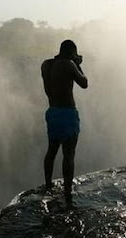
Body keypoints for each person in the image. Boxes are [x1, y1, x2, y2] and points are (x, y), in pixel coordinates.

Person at [41, 39, 88, 206]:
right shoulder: (69, 64)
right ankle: (68, 193)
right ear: (71, 52)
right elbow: (84, 83)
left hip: (52, 112)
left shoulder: (46, 64)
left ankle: (48, 184)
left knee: (51, 151)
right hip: (67, 113)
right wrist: (77, 64)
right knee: (68, 155)